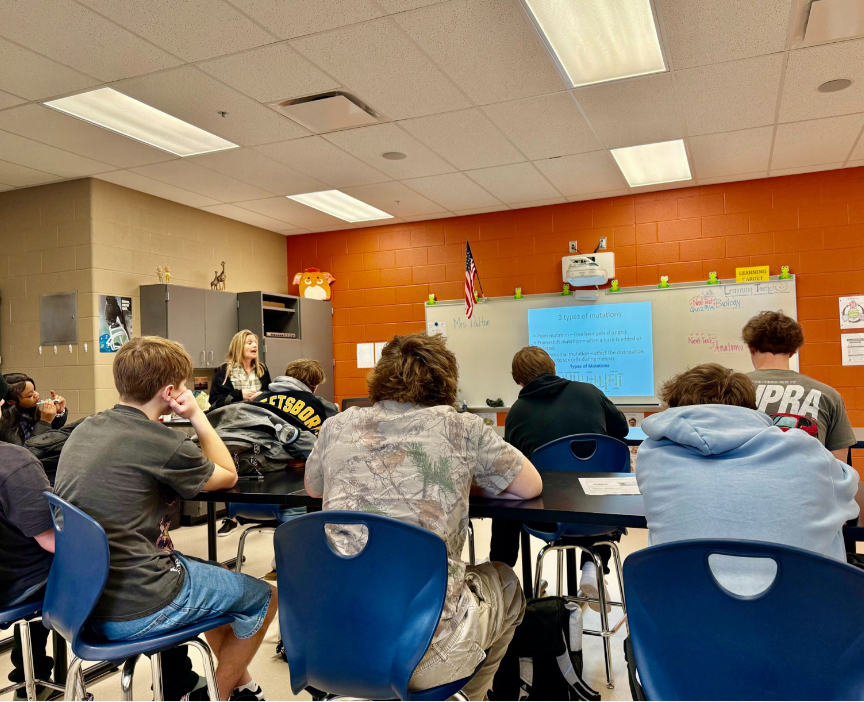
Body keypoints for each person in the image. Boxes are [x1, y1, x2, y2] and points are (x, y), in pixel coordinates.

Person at [305, 333, 543, 701]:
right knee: (506, 583)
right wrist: (464, 479)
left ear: (379, 377)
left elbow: (314, 488)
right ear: (445, 380)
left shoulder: (338, 424)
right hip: (426, 653)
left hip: (332, 640)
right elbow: (530, 486)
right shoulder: (461, 428)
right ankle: (467, 694)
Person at [55, 337, 277, 702]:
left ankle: (246, 689)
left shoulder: (85, 429)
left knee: (216, 581)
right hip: (140, 603)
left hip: (82, 602)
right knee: (265, 596)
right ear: (170, 391)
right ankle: (214, 697)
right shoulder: (160, 441)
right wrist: (196, 415)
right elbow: (228, 474)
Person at [636, 363, 859, 588]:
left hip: (682, 613)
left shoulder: (652, 456)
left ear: (673, 409)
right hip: (799, 614)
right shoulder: (808, 452)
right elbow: (848, 493)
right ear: (751, 408)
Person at [492, 346, 629, 605]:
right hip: (599, 514)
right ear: (554, 369)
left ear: (518, 381)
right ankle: (592, 566)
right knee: (603, 489)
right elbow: (620, 429)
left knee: (505, 496)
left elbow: (513, 467)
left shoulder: (518, 412)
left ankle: (501, 578)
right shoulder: (590, 392)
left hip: (546, 517)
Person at [218, 357, 338, 540]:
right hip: (291, 498)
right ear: (314, 386)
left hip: (242, 495)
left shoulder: (259, 400)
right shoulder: (319, 404)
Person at [0, 372, 56, 701]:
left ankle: (30, 677)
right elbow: (51, 540)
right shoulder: (13, 461)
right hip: (20, 588)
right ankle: (178, 683)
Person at [743, 311, 855, 459]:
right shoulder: (828, 394)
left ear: (751, 347)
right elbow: (839, 464)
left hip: (742, 480)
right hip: (808, 481)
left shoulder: (726, 390)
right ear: (792, 351)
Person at [210, 330, 272, 409]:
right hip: (234, 417)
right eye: (249, 343)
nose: (255, 345)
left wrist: (262, 394)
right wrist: (239, 395)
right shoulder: (224, 370)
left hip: (259, 415)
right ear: (238, 347)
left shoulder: (262, 369)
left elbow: (271, 395)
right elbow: (214, 400)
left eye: (255, 343)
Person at [0, 374, 67, 446]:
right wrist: (44, 422)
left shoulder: (30, 410)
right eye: (30, 395)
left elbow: (52, 433)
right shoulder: (7, 426)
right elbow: (29, 451)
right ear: (11, 402)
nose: (37, 394)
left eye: (34, 390)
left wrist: (58, 413)